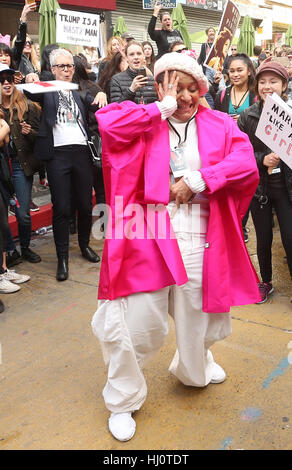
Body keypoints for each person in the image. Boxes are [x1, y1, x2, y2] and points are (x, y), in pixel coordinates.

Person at [91, 52, 260, 441]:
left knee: (196, 313)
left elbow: (244, 161)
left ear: (202, 89)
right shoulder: (144, 118)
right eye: (174, 87)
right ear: (160, 85)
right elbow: (108, 127)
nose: (184, 97)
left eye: (190, 88)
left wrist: (199, 179)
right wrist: (159, 108)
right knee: (139, 323)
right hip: (147, 230)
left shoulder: (218, 123)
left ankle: (194, 364)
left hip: (201, 231)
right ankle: (122, 400)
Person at [25, 48, 101, 281]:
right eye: (62, 66)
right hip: (57, 155)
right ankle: (63, 258)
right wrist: (31, 79)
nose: (67, 70)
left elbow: (95, 102)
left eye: (70, 66)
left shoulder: (79, 91)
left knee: (86, 205)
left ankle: (85, 246)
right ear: (53, 69)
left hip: (81, 153)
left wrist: (101, 96)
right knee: (62, 208)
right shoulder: (46, 90)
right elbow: (31, 90)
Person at [238, 60, 292, 303]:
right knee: (263, 239)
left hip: (286, 189)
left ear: (284, 85)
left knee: (289, 237)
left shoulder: (289, 115)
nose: (267, 87)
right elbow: (240, 154)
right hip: (259, 189)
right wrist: (263, 159)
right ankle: (266, 281)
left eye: (274, 82)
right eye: (263, 82)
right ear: (256, 85)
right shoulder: (246, 116)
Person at [0, 63, 42, 265]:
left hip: (18, 165)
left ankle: (25, 248)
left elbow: (40, 136)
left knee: (23, 214)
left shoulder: (26, 104)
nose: (6, 83)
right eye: (2, 80)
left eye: (9, 78)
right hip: (1, 167)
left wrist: (29, 132)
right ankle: (10, 251)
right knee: (1, 217)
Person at [109, 41, 157, 105]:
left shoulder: (152, 80)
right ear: (127, 58)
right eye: (132, 54)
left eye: (139, 53)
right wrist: (131, 90)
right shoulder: (116, 80)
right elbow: (115, 108)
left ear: (144, 56)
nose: (136, 57)